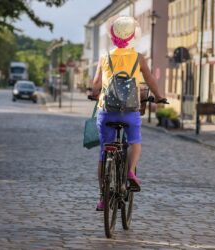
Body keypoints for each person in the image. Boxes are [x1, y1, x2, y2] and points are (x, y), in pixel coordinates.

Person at [91, 16, 166, 211]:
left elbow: (96, 84)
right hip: (130, 111)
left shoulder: (104, 57)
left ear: (112, 35)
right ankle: (130, 173)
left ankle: (103, 197)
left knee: (103, 151)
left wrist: (93, 94)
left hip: (106, 111)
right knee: (134, 141)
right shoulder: (138, 58)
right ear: (133, 36)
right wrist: (158, 96)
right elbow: (149, 80)